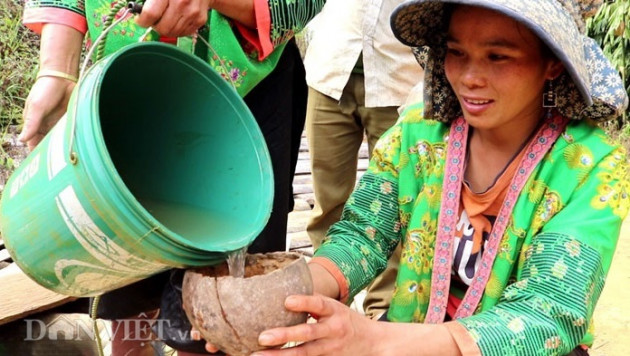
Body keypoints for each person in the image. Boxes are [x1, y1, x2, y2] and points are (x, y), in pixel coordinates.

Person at [200, 0, 629, 355]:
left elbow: (548, 314)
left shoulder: (591, 169)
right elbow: (362, 237)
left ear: (553, 64)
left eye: (498, 56)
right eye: (456, 52)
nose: (468, 77)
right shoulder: (418, 134)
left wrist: (372, 340)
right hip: (408, 333)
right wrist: (272, 299)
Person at [18, 0, 318, 354]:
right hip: (126, 80)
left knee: (229, 301)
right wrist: (57, 69)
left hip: (242, 95)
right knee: (125, 273)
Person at [301, 0, 424, 319]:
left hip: (399, 75)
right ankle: (326, 304)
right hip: (331, 66)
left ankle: (381, 314)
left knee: (394, 206)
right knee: (327, 200)